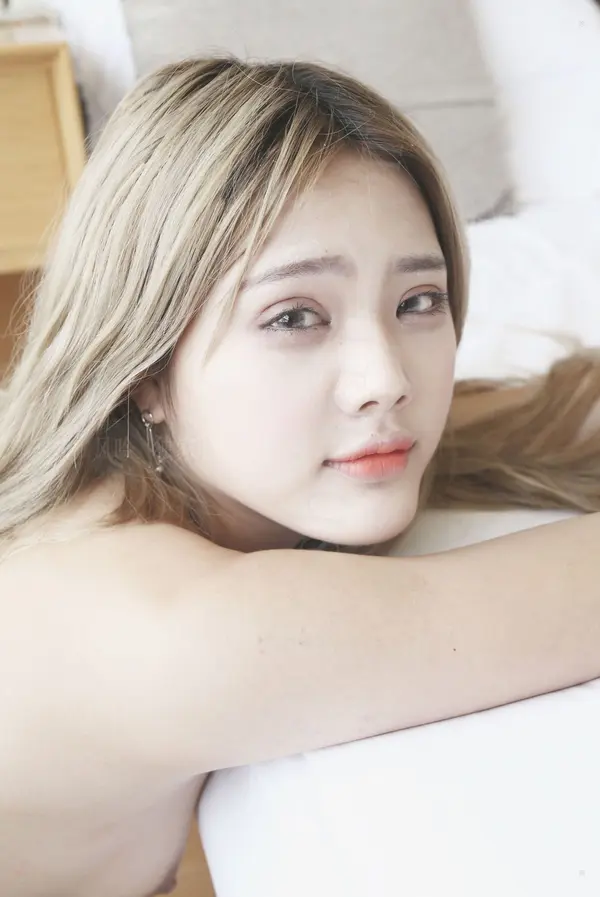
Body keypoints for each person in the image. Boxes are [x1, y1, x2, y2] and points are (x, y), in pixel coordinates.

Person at [1, 2, 600, 895]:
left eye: (418, 301)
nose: (384, 379)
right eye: (293, 317)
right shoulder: (169, 630)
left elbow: (540, 408)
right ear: (144, 366)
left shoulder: (189, 465)